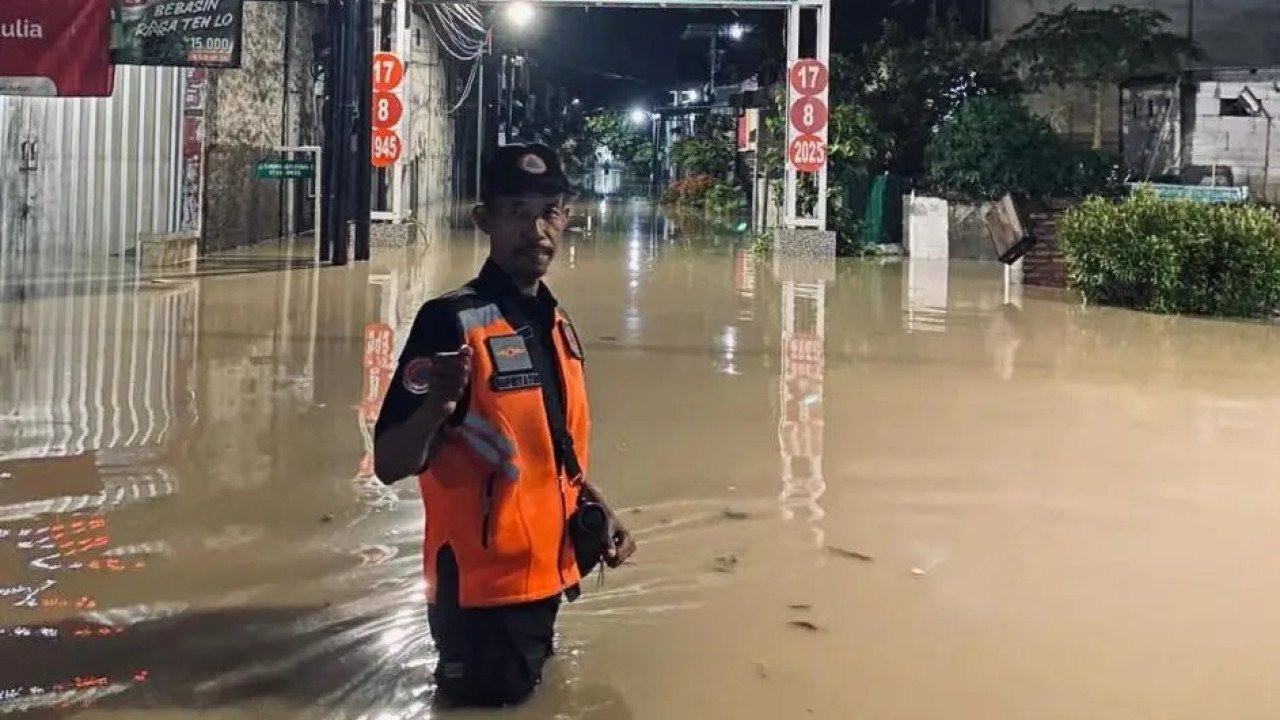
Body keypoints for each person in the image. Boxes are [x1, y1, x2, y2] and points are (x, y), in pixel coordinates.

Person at [373, 143, 636, 708]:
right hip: (480, 601)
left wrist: (596, 506)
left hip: (544, 582)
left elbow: (545, 447)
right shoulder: (449, 323)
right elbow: (389, 464)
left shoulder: (554, 320)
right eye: (517, 211)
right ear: (484, 220)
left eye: (551, 211)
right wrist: (434, 409)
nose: (536, 229)